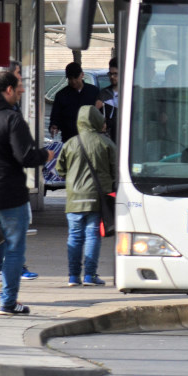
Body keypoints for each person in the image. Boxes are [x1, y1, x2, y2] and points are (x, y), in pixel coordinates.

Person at [0, 71, 55, 315]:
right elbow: (25, 156)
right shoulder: (11, 119)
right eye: (18, 88)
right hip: (10, 196)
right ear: (7, 90)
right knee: (15, 248)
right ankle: (7, 302)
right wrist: (45, 155)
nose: (22, 91)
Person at [55, 105, 116, 287]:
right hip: (97, 198)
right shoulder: (106, 143)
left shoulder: (71, 143)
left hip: (74, 198)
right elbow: (115, 170)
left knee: (74, 236)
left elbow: (60, 169)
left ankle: (73, 276)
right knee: (92, 235)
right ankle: (90, 275)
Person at [49, 62, 100, 142]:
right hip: (69, 138)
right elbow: (55, 116)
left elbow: (100, 114)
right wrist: (54, 126)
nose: (73, 81)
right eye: (70, 78)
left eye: (76, 77)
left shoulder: (94, 92)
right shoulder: (61, 95)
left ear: (82, 75)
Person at [95, 57, 119, 142]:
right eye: (110, 74)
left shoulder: (131, 93)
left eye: (115, 74)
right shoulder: (103, 94)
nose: (112, 77)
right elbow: (94, 114)